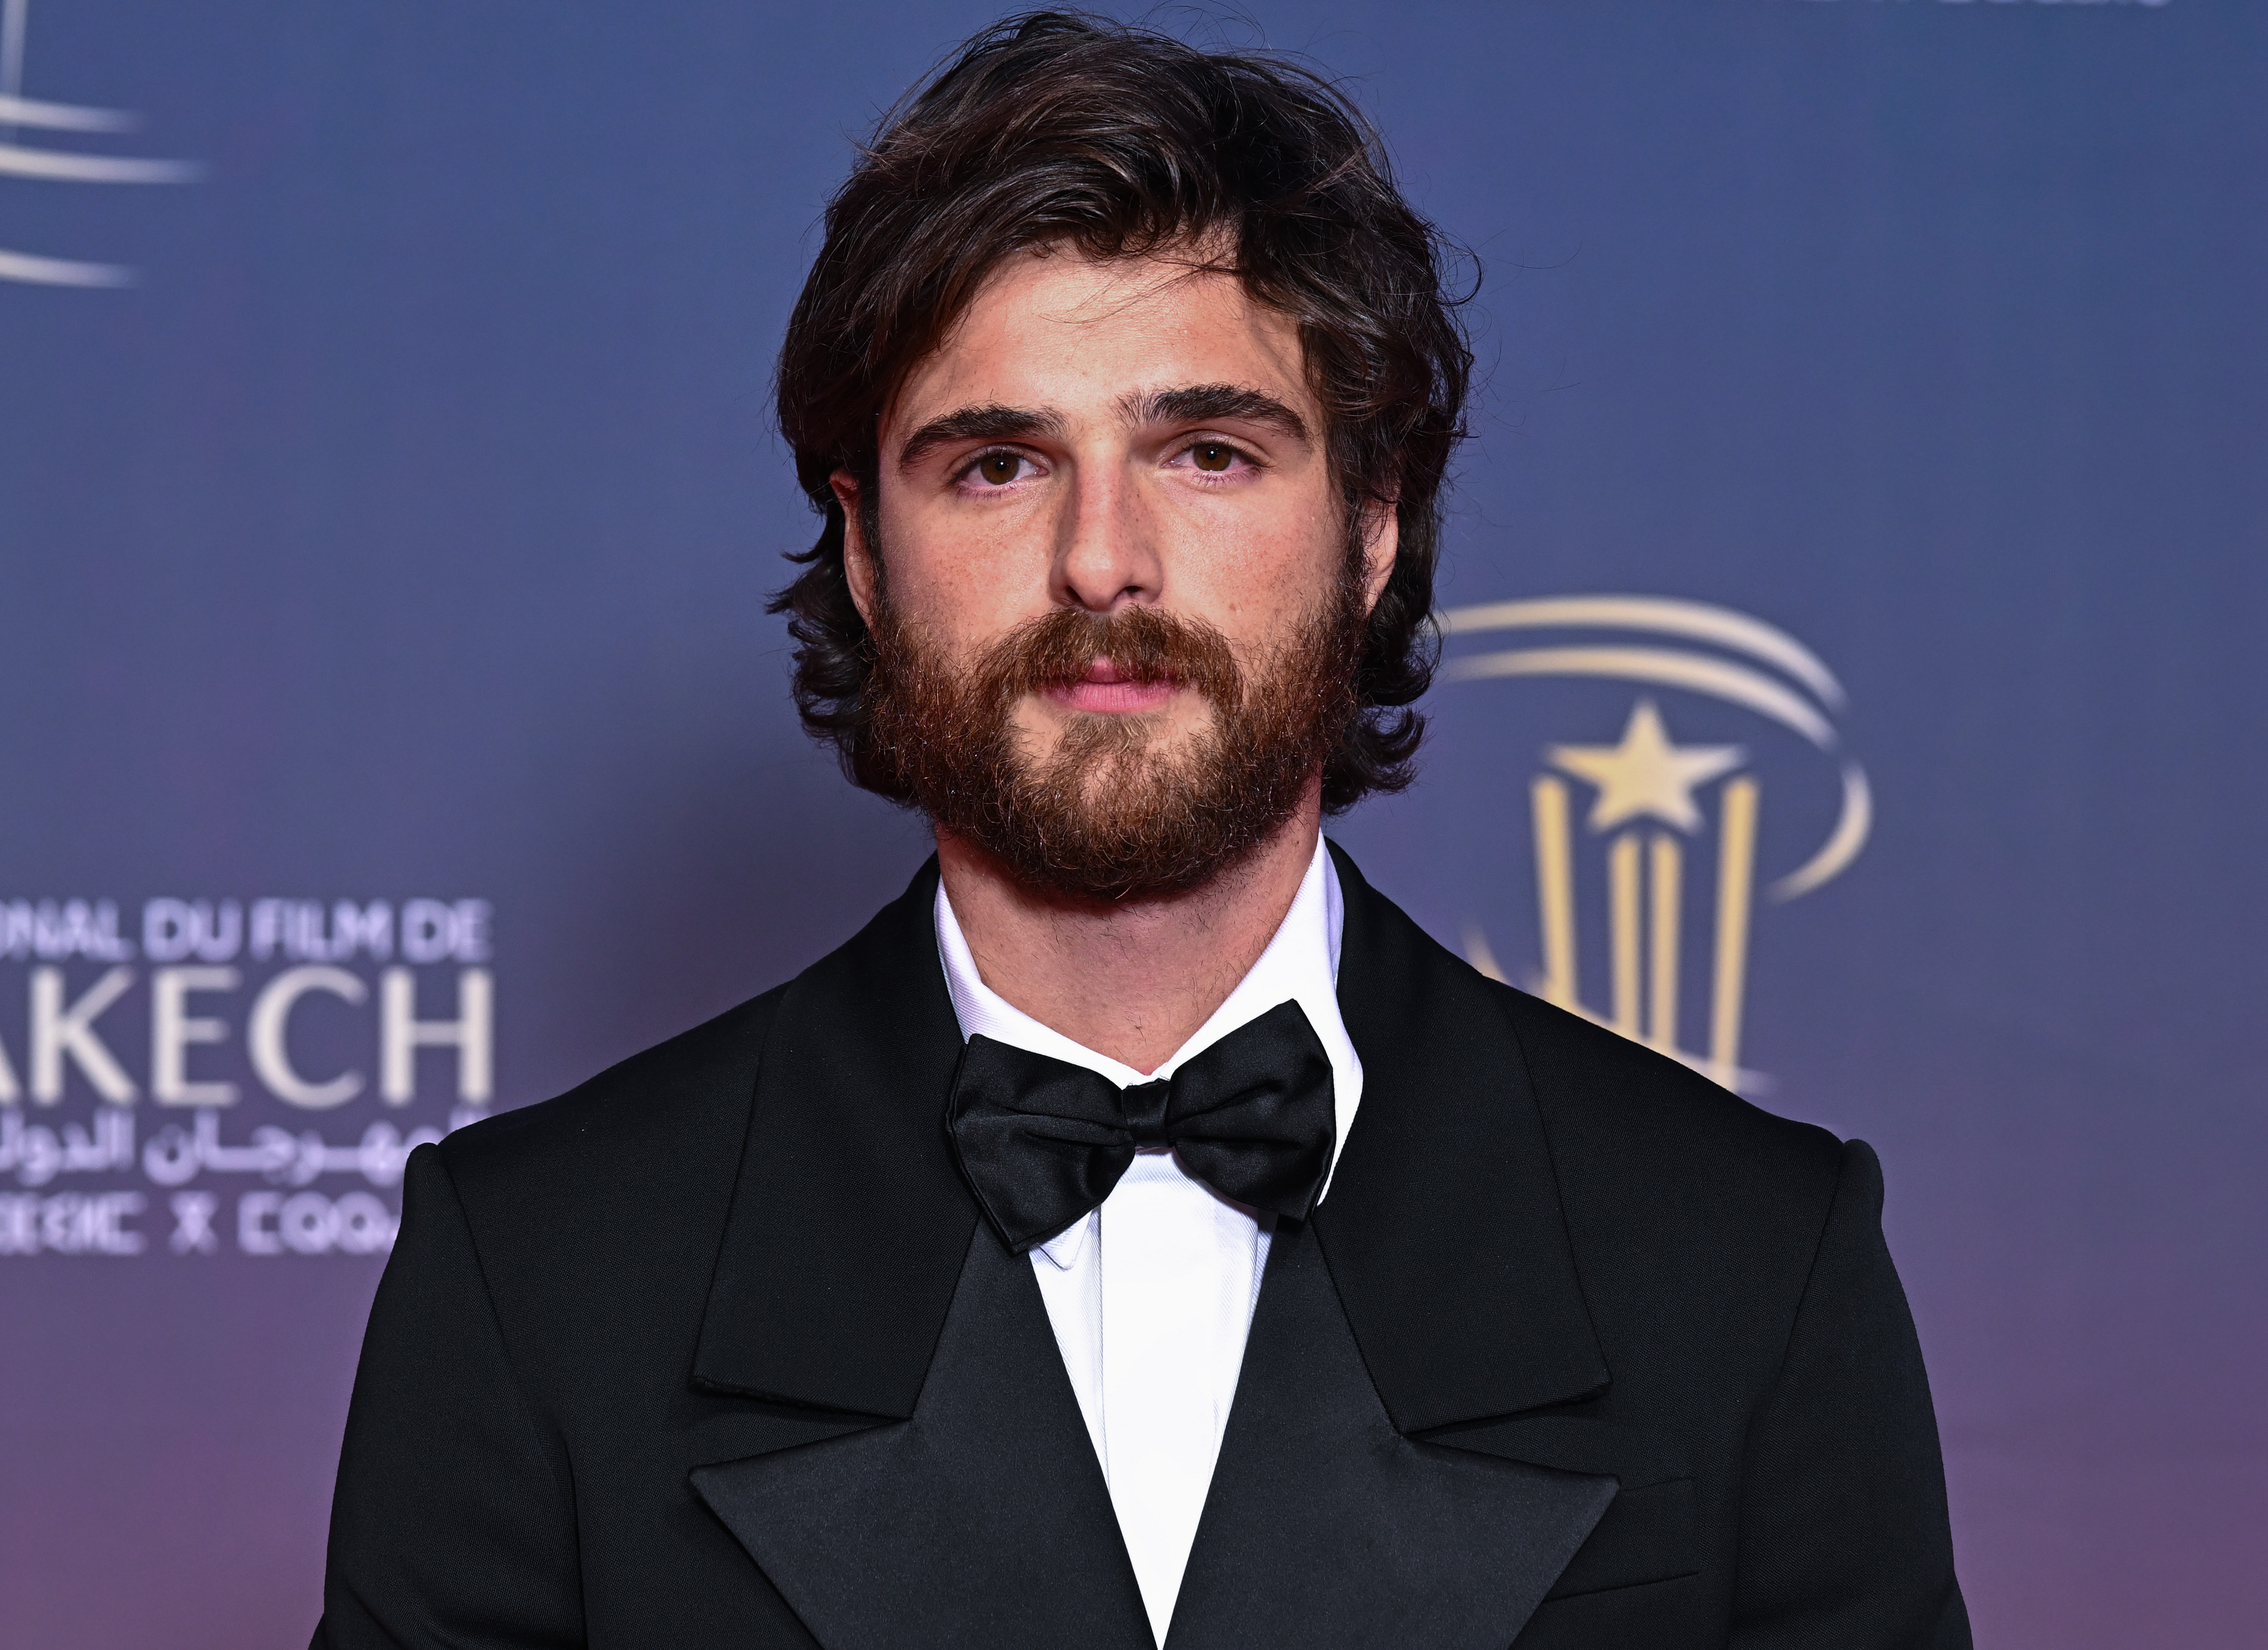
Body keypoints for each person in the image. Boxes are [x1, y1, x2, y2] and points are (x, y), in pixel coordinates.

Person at [311, 14, 1969, 1648]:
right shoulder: (540, 1280)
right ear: (868, 552)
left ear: (1372, 527)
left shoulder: (1746, 1262)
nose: (1104, 558)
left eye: (1208, 452)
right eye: (997, 466)